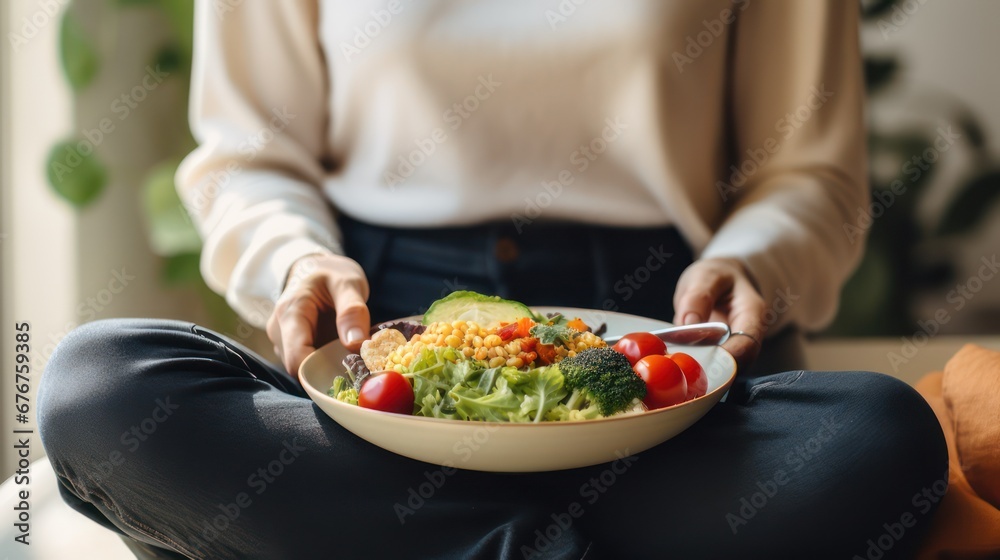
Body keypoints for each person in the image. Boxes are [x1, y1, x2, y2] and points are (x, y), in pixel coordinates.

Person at [38, 2, 947, 558]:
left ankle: (364, 537)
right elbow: (247, 155)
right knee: (97, 388)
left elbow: (810, 174)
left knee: (881, 433)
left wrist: (754, 261)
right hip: (380, 354)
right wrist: (293, 257)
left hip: (652, 355)